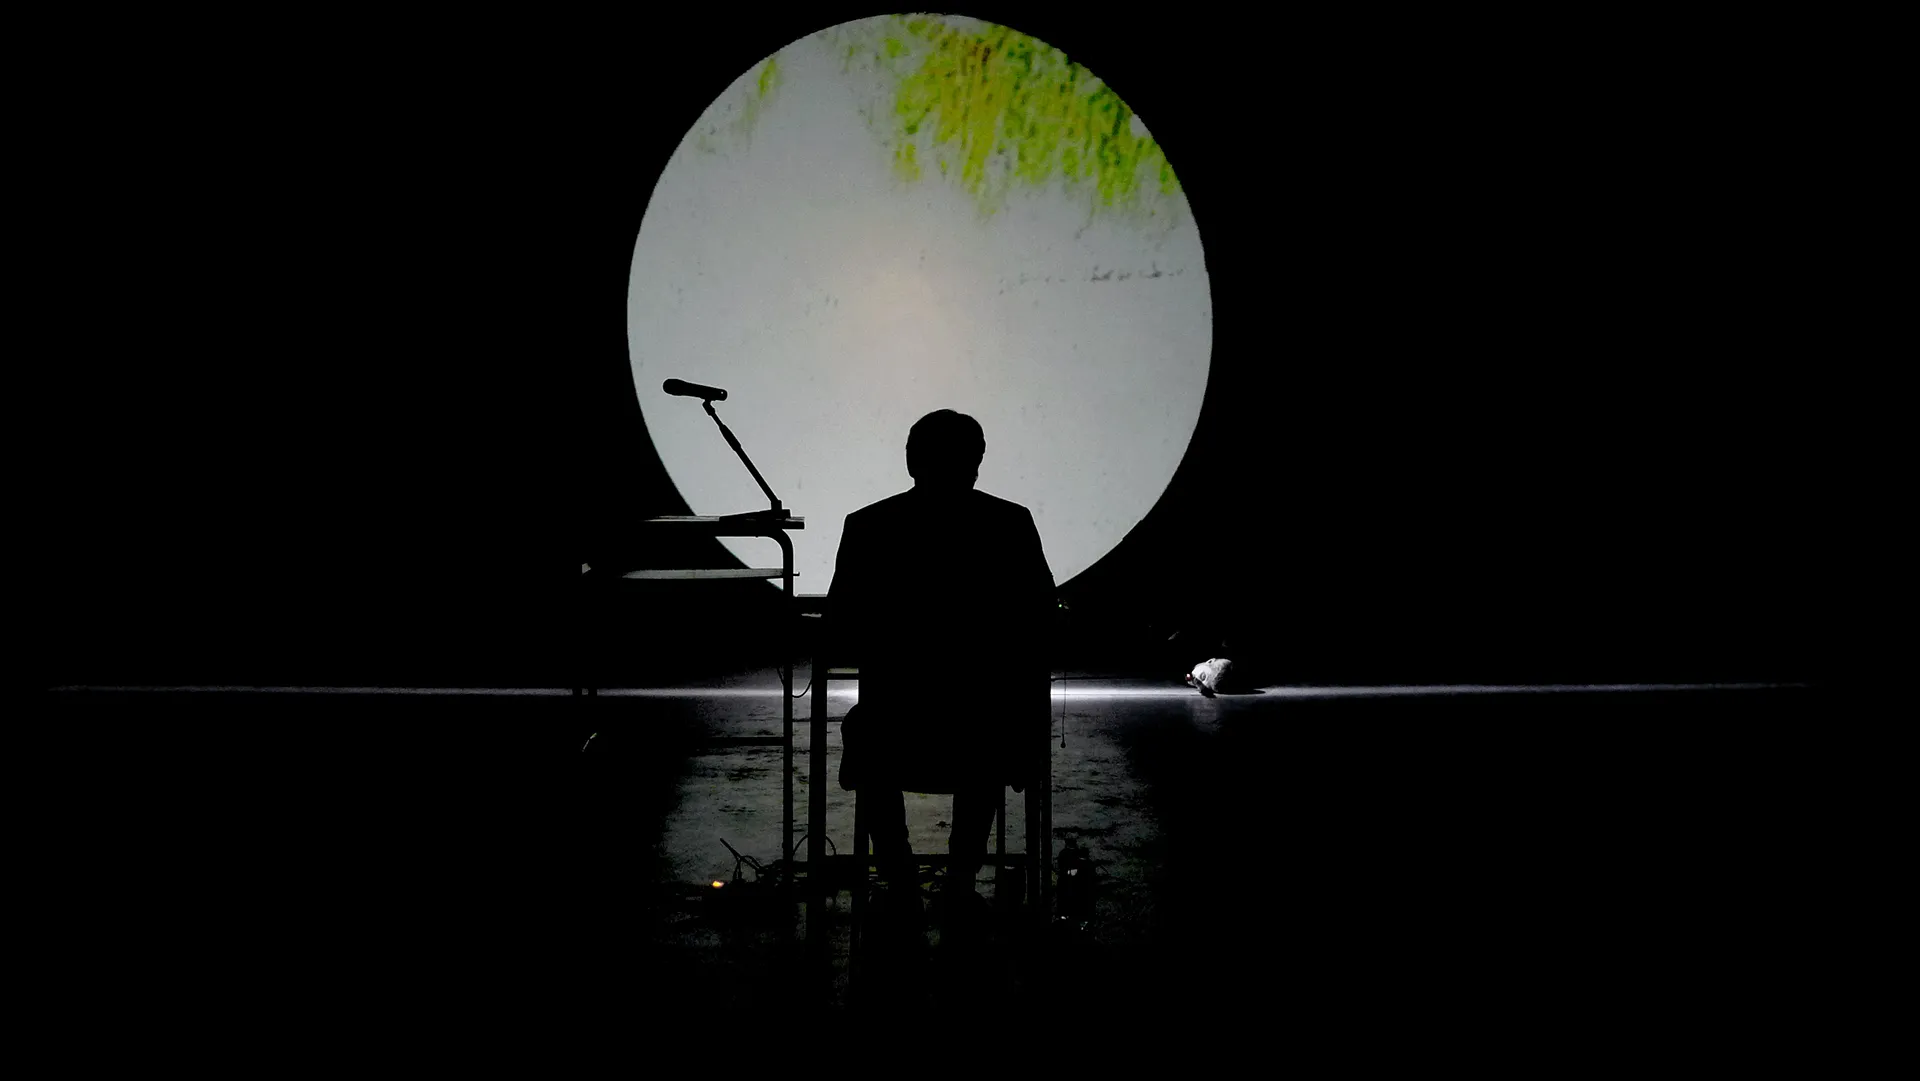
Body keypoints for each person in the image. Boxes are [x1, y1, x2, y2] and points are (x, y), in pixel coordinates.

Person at [828, 409, 1055, 934]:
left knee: (869, 732)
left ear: (911, 462)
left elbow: (841, 626)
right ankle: (959, 879)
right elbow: (1042, 617)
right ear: (976, 463)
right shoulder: (1010, 523)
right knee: (989, 730)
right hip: (981, 731)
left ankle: (900, 879)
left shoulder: (868, 526)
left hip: (893, 729)